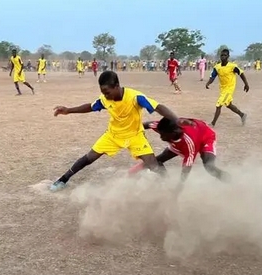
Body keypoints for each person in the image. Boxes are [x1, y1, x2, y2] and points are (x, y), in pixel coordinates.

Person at [49, 71, 191, 192]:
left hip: (135, 136)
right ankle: (63, 180)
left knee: (153, 163)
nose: (105, 96)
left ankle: (169, 187)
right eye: (103, 93)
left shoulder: (135, 97)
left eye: (107, 92)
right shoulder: (105, 99)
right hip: (113, 135)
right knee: (89, 158)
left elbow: (159, 107)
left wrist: (177, 120)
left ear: (117, 86)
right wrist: (68, 110)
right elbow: (90, 107)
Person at [128, 117, 230, 196]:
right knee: (157, 161)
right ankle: (164, 181)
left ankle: (230, 181)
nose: (161, 137)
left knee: (209, 166)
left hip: (205, 137)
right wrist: (129, 132)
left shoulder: (190, 143)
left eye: (163, 135)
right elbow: (146, 125)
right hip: (182, 139)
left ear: (174, 132)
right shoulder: (164, 127)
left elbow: (186, 167)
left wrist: (179, 187)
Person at [205, 49, 249, 127]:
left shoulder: (232, 66)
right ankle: (242, 115)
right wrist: (208, 83)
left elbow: (241, 74)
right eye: (222, 55)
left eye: (225, 55)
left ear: (228, 56)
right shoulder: (217, 67)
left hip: (229, 88)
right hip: (222, 88)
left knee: (219, 104)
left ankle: (213, 123)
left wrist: (246, 84)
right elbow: (213, 76)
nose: (223, 57)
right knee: (228, 105)